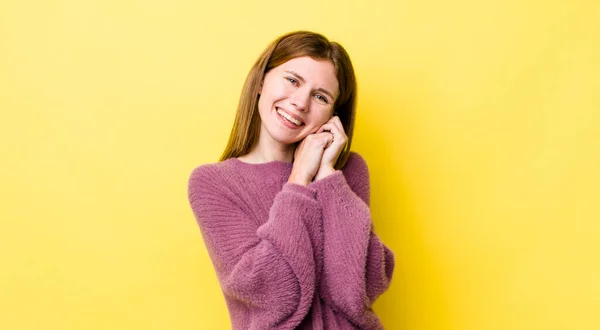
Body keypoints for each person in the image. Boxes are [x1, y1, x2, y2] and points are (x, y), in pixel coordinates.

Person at [187, 31, 395, 330]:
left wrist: (326, 176)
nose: (300, 103)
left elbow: (363, 285)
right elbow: (271, 292)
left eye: (320, 96)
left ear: (332, 115)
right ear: (261, 81)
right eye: (293, 81)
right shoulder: (212, 183)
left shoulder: (346, 173)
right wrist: (299, 178)